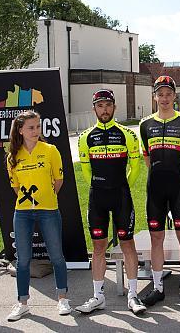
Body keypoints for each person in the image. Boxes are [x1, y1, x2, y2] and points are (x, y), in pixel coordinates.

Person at [75, 89, 146, 316]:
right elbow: (86, 168)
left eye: (108, 105)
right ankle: (98, 297)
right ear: (94, 108)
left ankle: (133, 295)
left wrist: (124, 185)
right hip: (98, 196)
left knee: (127, 244)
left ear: (114, 107)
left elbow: (135, 167)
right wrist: (97, 185)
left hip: (121, 195)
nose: (104, 109)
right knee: (98, 246)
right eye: (100, 105)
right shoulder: (85, 136)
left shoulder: (128, 134)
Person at [5, 111, 71, 321]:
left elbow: (58, 181)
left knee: (57, 257)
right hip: (22, 213)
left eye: (38, 126)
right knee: (22, 260)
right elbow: (16, 187)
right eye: (31, 127)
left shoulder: (50, 150)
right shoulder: (12, 156)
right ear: (20, 130)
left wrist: (45, 198)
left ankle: (62, 298)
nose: (36, 131)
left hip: (49, 210)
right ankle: (22, 303)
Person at [139, 76, 180, 308]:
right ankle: (158, 288)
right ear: (155, 97)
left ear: (174, 96)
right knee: (156, 237)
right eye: (160, 94)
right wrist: (156, 176)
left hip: (178, 188)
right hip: (155, 189)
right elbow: (146, 156)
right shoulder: (145, 124)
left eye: (168, 94)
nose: (164, 98)